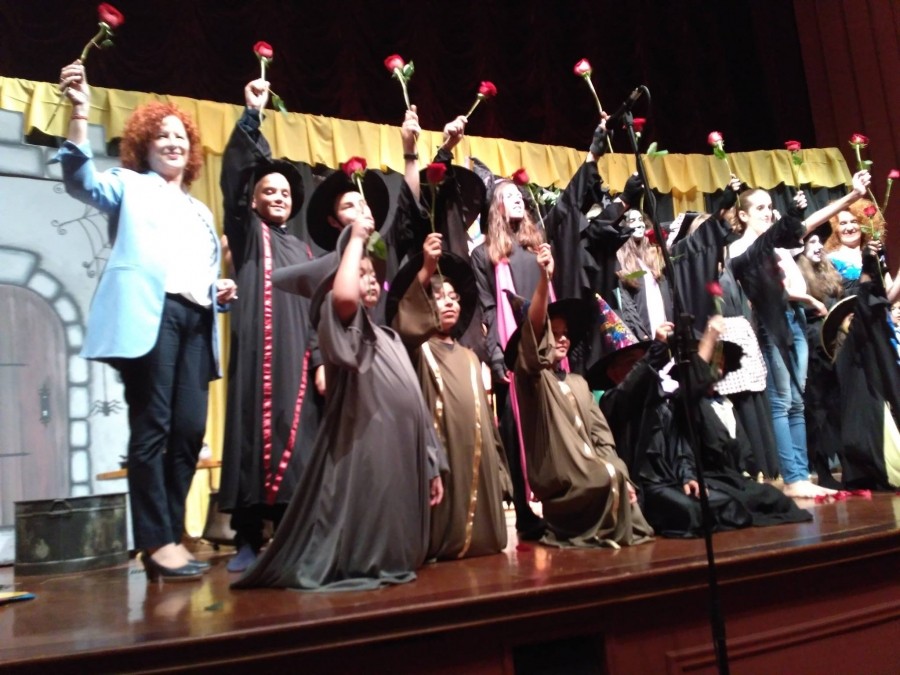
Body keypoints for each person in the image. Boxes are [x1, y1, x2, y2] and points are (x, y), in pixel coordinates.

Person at [56, 60, 237, 580]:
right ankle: (156, 542)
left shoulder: (201, 212)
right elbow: (80, 181)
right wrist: (79, 112)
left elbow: (196, 271)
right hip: (151, 316)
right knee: (153, 425)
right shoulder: (128, 185)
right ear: (144, 145)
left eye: (180, 136)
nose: (173, 142)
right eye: (162, 135)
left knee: (190, 430)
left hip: (196, 320)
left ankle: (169, 534)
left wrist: (218, 290)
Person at [233, 216, 446, 590]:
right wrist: (357, 237)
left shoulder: (389, 337)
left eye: (372, 273)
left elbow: (417, 405)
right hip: (367, 446)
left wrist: (431, 461)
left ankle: (393, 557)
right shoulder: (344, 325)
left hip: (401, 453)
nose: (370, 279)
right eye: (359, 273)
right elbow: (344, 298)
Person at [470, 118, 630, 539]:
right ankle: (525, 515)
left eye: (518, 195)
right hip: (515, 354)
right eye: (506, 196)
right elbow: (488, 308)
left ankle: (566, 502)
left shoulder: (539, 245)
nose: (516, 199)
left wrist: (593, 154)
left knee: (555, 426)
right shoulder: (485, 255)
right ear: (494, 208)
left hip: (549, 350)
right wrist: (495, 357)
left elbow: (569, 203)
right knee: (516, 431)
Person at [217, 79, 323, 572]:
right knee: (252, 434)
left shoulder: (304, 249)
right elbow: (234, 181)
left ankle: (289, 532)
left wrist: (318, 360)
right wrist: (252, 116)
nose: (278, 196)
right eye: (268, 190)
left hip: (298, 359)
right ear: (255, 200)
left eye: (284, 191)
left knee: (297, 439)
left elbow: (318, 308)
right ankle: (247, 537)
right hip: (258, 355)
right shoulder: (248, 233)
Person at [597, 315, 812, 537]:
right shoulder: (612, 402)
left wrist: (687, 475)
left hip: (677, 480)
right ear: (613, 373)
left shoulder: (662, 402)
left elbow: (680, 446)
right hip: (649, 488)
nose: (638, 366)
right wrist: (657, 349)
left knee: (764, 499)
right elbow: (633, 384)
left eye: (639, 360)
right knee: (699, 512)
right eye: (630, 362)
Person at [728, 170, 871, 498]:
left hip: (794, 320)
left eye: (770, 207)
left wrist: (852, 196)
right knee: (782, 401)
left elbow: (809, 223)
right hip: (771, 324)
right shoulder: (740, 247)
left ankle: (801, 475)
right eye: (760, 208)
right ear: (744, 215)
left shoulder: (778, 242)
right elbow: (759, 266)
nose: (767, 212)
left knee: (796, 401)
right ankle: (792, 477)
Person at [504, 244, 654, 548]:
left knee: (617, 477)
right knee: (603, 479)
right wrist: (544, 279)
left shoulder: (578, 383)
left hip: (592, 467)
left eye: (565, 334)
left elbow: (601, 437)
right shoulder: (532, 379)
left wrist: (617, 469)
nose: (561, 339)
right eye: (554, 333)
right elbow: (534, 333)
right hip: (561, 476)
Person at [388, 233, 510, 559]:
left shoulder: (470, 357)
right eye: (439, 297)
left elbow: (487, 422)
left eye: (454, 298)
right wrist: (427, 269)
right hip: (443, 458)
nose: (450, 303)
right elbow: (405, 325)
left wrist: (500, 470)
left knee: (488, 545)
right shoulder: (418, 350)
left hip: (477, 464)